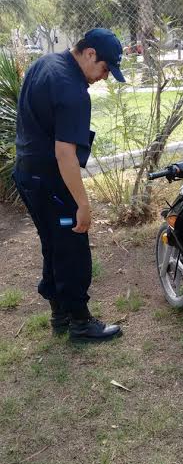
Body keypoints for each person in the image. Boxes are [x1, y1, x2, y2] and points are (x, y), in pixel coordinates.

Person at [13, 28, 125, 341]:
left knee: (53, 243)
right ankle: (80, 322)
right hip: (51, 183)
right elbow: (65, 154)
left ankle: (60, 313)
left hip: (27, 175)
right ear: (90, 54)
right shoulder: (72, 90)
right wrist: (82, 205)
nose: (104, 77)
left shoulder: (45, 63)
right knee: (72, 244)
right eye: (105, 69)